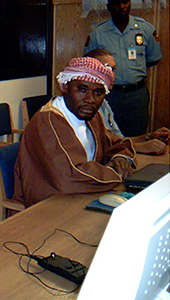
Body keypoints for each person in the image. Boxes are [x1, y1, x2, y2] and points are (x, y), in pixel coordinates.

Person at [13, 57, 136, 208]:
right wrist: (115, 172)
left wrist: (120, 157)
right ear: (65, 87)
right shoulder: (48, 122)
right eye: (82, 90)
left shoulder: (91, 116)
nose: (90, 99)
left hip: (84, 195)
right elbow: (69, 177)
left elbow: (114, 143)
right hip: (49, 205)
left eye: (98, 93)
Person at [84, 0, 162, 137]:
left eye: (125, 2)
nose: (121, 7)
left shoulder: (145, 29)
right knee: (108, 136)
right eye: (116, 3)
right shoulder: (97, 34)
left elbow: (152, 59)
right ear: (109, 7)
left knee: (138, 135)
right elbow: (90, 65)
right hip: (110, 95)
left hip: (137, 95)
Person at [85, 49, 169, 155]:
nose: (110, 74)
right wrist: (140, 146)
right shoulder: (85, 104)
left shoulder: (104, 103)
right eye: (105, 68)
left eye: (113, 69)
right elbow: (100, 146)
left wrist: (148, 137)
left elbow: (119, 140)